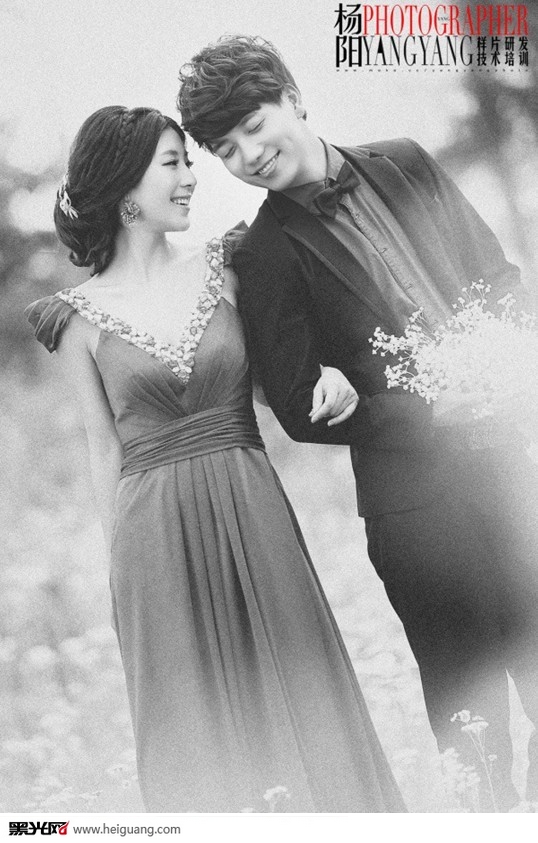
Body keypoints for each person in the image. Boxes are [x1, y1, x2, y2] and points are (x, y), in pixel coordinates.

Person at [178, 35, 538, 811]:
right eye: (225, 148)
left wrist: (504, 359)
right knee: (472, 723)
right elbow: (300, 405)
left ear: (295, 99)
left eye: (254, 125)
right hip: (417, 512)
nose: (248, 153)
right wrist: (425, 408)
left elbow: (499, 278)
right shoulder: (263, 254)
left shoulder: (407, 160)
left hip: (515, 473)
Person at [25, 105, 406, 813]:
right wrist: (121, 576)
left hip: (252, 507)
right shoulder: (74, 320)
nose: (190, 177)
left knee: (302, 691)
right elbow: (102, 447)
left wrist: (332, 374)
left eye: (187, 162)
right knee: (193, 732)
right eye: (172, 163)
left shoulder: (228, 267)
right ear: (125, 186)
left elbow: (280, 382)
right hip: (152, 540)